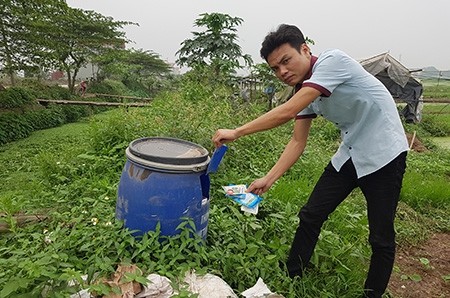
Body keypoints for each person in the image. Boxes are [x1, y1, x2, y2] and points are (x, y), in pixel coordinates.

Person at [212, 24, 408, 298]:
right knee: (311, 214)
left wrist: (237, 131)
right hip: (350, 153)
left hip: (385, 154)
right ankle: (293, 275)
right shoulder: (303, 90)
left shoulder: (332, 61)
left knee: (380, 236)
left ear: (305, 49)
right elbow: (297, 141)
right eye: (275, 68)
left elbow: (287, 110)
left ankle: (371, 294)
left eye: (285, 61)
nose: (282, 72)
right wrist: (269, 178)